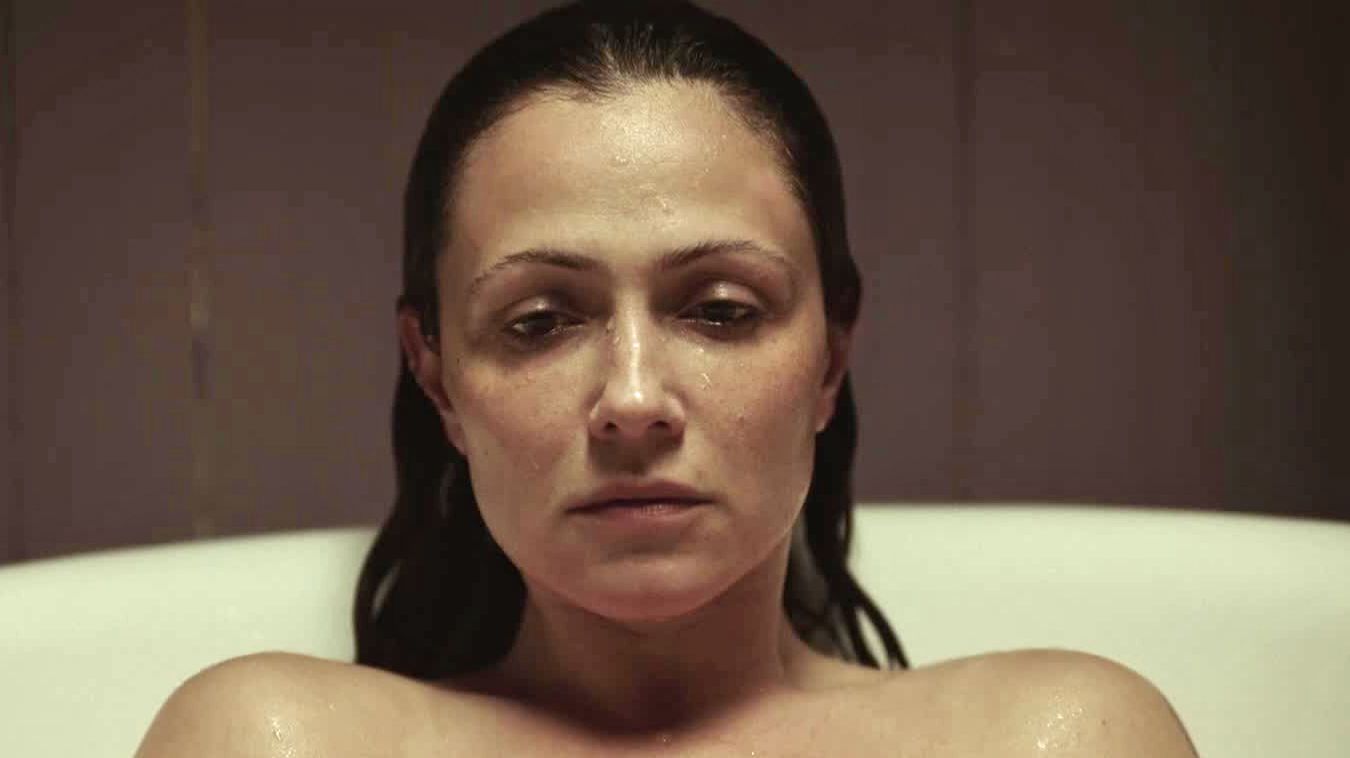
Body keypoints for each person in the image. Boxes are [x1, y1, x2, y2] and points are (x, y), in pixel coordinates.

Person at [136, 1, 1198, 754]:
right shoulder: (274, 741)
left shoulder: (1058, 738)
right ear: (438, 376)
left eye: (720, 310)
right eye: (540, 321)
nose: (634, 400)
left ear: (831, 354)